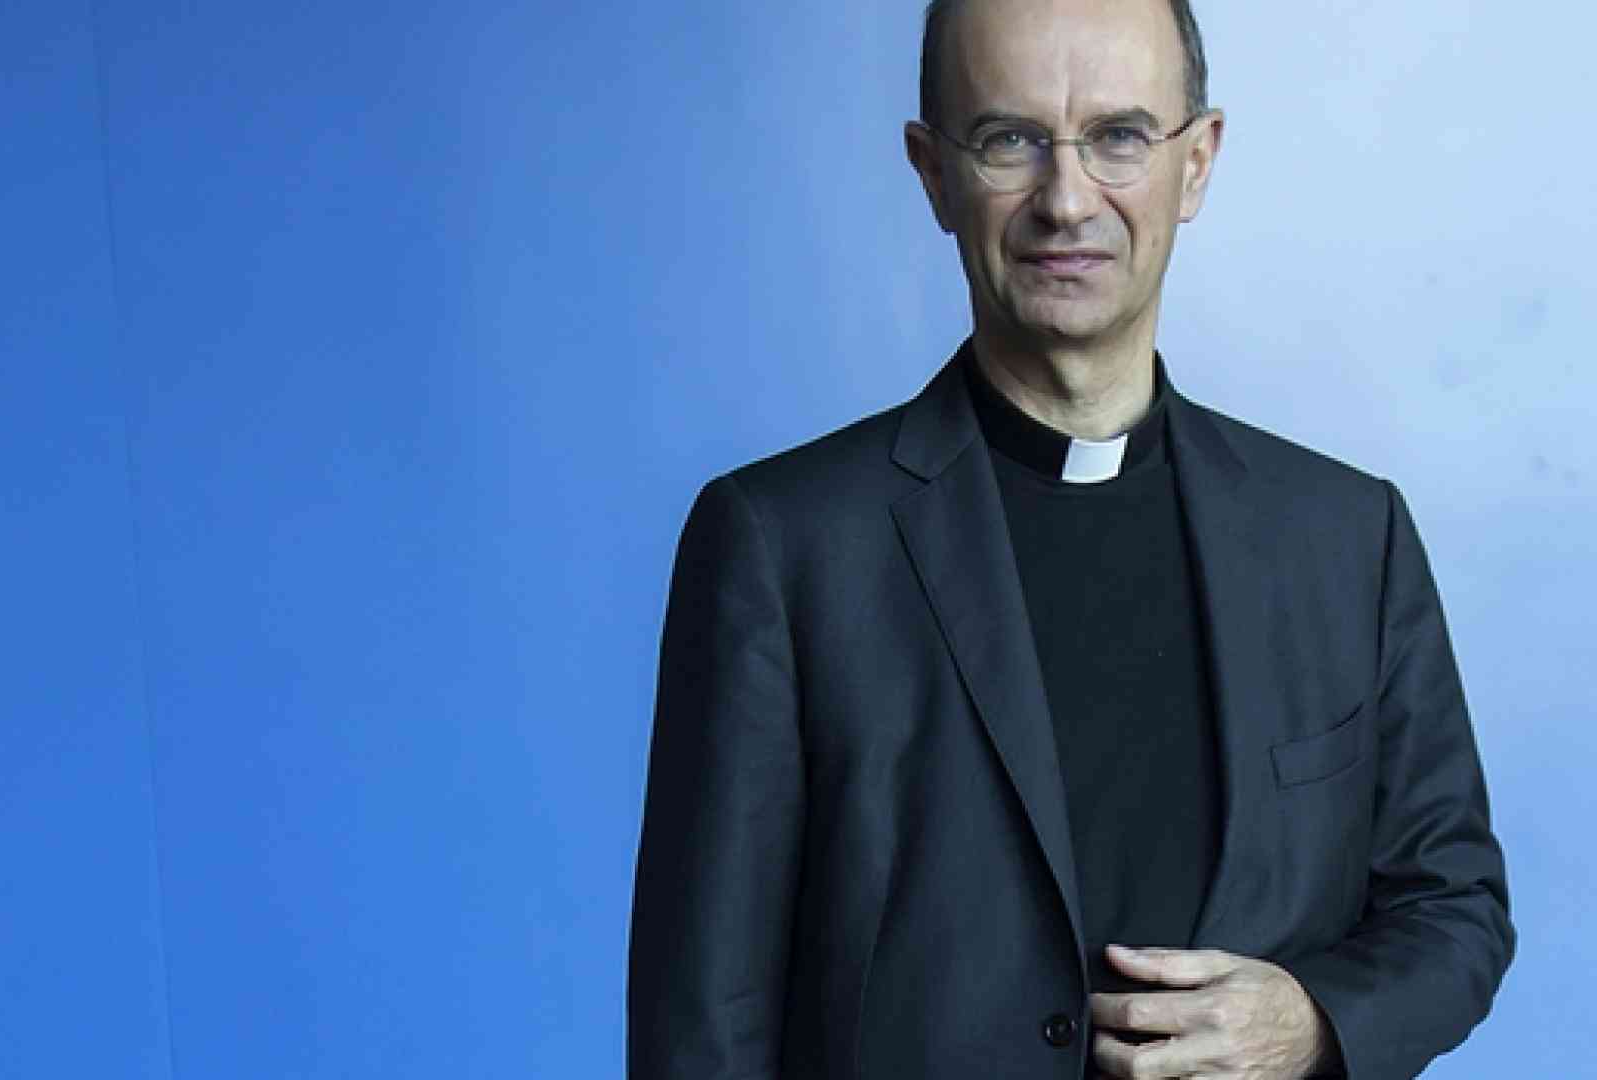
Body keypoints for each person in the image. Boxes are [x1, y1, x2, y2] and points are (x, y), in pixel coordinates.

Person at [626, 0, 1515, 1076]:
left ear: (1197, 162)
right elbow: (702, 1027)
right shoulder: (781, 546)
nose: (1067, 199)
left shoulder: (1347, 536)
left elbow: (1454, 908)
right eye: (1010, 140)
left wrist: (1313, 1021)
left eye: (1119, 136)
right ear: (932, 172)